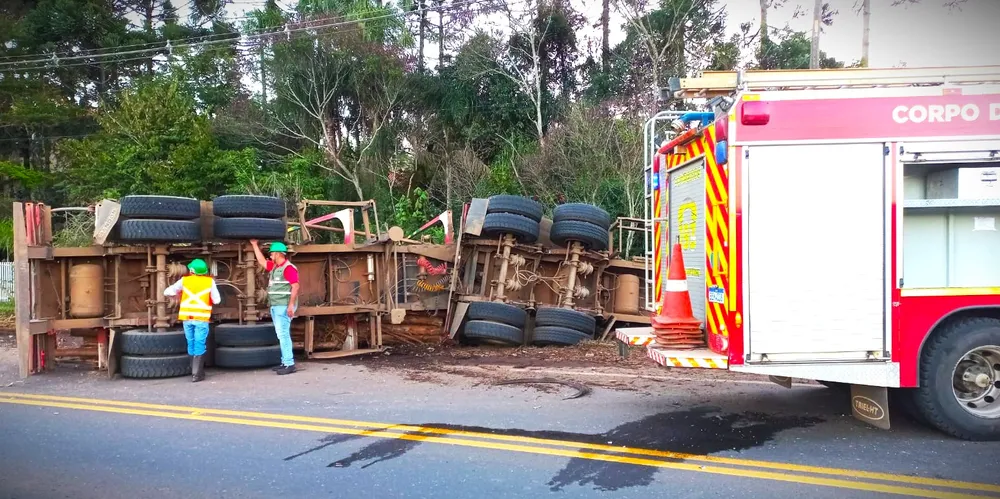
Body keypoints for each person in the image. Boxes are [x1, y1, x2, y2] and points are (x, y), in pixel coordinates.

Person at [163, 258, 221, 382]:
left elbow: (167, 292)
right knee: (200, 343)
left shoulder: (184, 281)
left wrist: (178, 295)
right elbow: (217, 300)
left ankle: (192, 371)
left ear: (192, 271)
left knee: (191, 342)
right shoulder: (209, 282)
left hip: (186, 318)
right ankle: (197, 374)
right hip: (201, 318)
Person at [249, 239, 299, 375]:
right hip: (276, 305)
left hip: (283, 306)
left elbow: (295, 286)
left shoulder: (288, 268)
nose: (270, 256)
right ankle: (285, 362)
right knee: (281, 334)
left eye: (271, 254)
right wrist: (254, 245)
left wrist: (290, 306)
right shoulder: (276, 267)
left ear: (278, 254)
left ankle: (289, 364)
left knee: (283, 335)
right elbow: (262, 262)